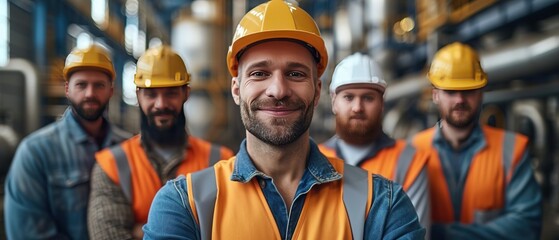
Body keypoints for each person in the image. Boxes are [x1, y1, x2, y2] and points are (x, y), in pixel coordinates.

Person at [143, 1, 425, 239]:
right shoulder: (182, 205)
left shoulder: (381, 205)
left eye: (295, 74)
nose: (278, 90)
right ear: (236, 89)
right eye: (259, 73)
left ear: (316, 91)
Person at [87, 45, 234, 240]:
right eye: (151, 94)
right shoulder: (111, 165)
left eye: (171, 93)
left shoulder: (221, 161)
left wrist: (140, 231)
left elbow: (231, 232)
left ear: (185, 94)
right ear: (138, 96)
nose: (161, 104)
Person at [411, 42, 542, 239]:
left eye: (468, 91)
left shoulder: (511, 149)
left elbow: (526, 226)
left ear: (481, 93)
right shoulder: (411, 151)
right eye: (450, 92)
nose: (460, 100)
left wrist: (443, 234)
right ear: (435, 95)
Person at [4, 44, 131, 239]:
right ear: (67, 89)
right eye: (81, 85)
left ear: (111, 91)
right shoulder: (35, 152)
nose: (90, 93)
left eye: (99, 85)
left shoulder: (129, 149)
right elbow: (28, 233)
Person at [318, 52, 431, 237]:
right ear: (333, 102)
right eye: (348, 97)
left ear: (382, 104)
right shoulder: (315, 160)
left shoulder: (410, 160)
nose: (357, 107)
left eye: (368, 98)